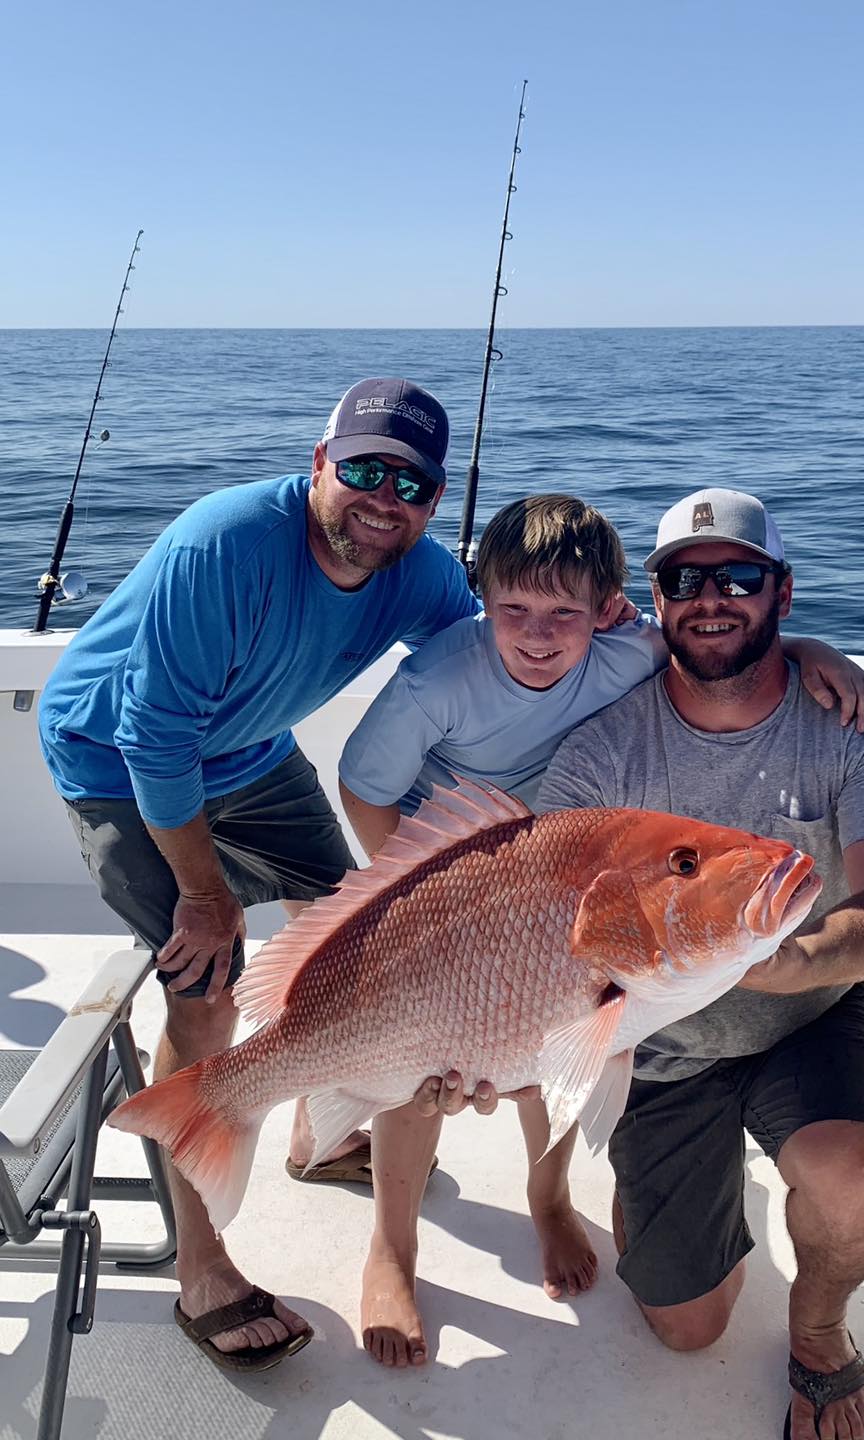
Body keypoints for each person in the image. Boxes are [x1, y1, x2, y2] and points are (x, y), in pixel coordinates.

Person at [338, 491, 864, 1370]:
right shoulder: (434, 682)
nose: (539, 632)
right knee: (421, 1070)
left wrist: (814, 648)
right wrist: (408, 902)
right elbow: (364, 787)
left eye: (566, 612)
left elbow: (730, 644)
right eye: (511, 609)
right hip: (448, 862)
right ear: (480, 599)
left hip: (571, 860)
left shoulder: (629, 649)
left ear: (607, 612)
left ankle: (549, 1198)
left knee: (561, 1045)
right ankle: (391, 1250)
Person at [37, 378, 480, 1372]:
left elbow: (493, 660)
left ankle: (314, 1138)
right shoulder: (223, 543)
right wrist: (206, 896)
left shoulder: (419, 575)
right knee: (207, 989)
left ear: (432, 501)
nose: (382, 497)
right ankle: (201, 1264)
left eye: (409, 483)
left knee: (357, 941)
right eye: (362, 468)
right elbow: (153, 742)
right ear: (317, 463)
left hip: (251, 753)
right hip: (116, 762)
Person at [532, 488, 864, 1440]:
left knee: (853, 1179)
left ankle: (822, 1337)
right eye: (685, 580)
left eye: (739, 577)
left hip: (807, 1015)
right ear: (658, 601)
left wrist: (794, 964)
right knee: (687, 1330)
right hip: (658, 1038)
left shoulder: (859, 726)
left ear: (783, 594)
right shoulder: (599, 755)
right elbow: (553, 933)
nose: (712, 599)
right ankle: (674, 1189)